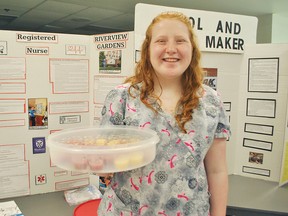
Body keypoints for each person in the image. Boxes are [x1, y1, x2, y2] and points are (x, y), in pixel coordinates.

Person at [97, 11, 231, 216]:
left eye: (180, 41)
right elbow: (105, 165)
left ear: (192, 50)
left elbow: (217, 170)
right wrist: (100, 162)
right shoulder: (122, 97)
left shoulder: (211, 101)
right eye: (161, 41)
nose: (171, 49)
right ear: (147, 50)